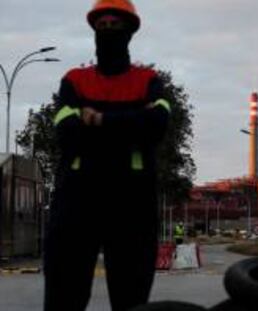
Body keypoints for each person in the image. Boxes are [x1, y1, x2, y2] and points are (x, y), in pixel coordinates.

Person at [43, 1, 171, 310]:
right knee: (63, 298)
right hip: (76, 204)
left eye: (116, 25)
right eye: (103, 25)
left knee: (132, 299)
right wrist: (131, 123)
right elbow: (68, 134)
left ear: (130, 31)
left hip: (132, 206)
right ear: (94, 30)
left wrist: (99, 120)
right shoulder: (74, 80)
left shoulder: (149, 80)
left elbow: (156, 127)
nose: (109, 30)